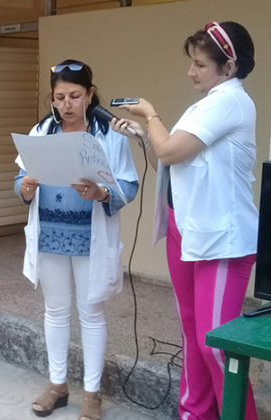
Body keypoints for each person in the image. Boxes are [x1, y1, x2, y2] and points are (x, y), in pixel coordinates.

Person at [111, 21, 258, 419]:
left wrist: (151, 113)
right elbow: (172, 166)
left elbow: (172, 151)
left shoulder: (229, 101)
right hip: (188, 231)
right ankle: (195, 412)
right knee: (192, 336)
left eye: (200, 65)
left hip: (221, 241)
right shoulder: (206, 102)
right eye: (191, 63)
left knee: (217, 343)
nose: (191, 72)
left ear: (229, 67)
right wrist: (144, 135)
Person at [15, 59, 138, 419]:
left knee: (92, 312)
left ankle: (92, 393)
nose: (66, 104)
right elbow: (20, 181)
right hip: (50, 234)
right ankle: (57, 385)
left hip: (90, 237)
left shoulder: (110, 135)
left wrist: (102, 194)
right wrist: (23, 186)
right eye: (59, 97)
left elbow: (128, 185)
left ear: (90, 95)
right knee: (55, 311)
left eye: (74, 96)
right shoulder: (40, 133)